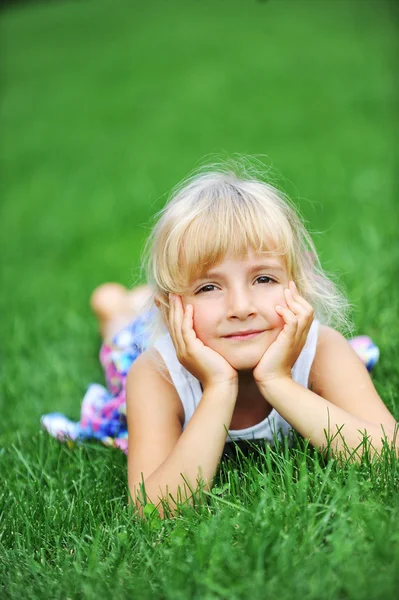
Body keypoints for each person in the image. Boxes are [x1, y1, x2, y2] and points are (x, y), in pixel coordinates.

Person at [41, 161, 397, 518]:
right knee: (123, 342)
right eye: (208, 287)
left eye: (263, 280)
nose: (241, 307)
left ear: (298, 283)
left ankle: (141, 299)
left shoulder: (324, 350)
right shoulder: (155, 374)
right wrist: (219, 387)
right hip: (143, 346)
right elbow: (154, 509)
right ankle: (116, 306)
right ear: (169, 308)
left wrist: (277, 380)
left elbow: (388, 456)